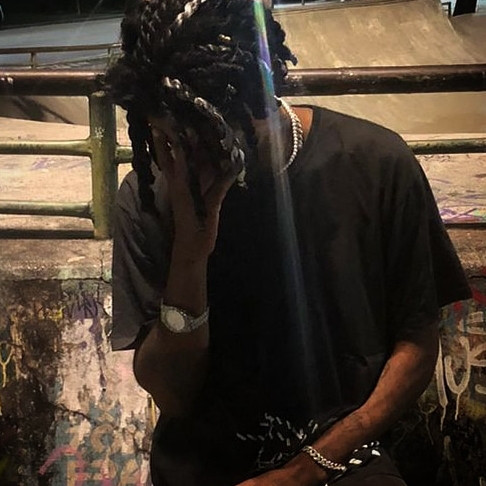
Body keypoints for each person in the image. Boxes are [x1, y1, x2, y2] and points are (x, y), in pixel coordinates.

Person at [105, 0, 471, 484]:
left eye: (215, 135)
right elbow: (173, 396)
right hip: (203, 465)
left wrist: (307, 468)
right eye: (172, 139)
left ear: (263, 91)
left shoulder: (375, 163)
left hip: (347, 458)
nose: (195, 157)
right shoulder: (150, 195)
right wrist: (191, 252)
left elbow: (417, 345)